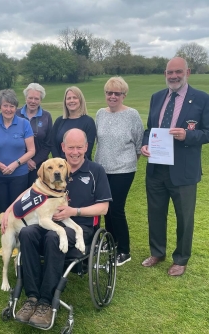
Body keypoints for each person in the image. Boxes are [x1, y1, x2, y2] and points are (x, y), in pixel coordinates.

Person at [3, 128, 112, 329]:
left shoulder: (95, 170)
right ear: (63, 148)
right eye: (71, 147)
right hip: (48, 221)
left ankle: (46, 302)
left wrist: (74, 211)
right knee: (26, 233)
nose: (75, 151)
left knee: (53, 237)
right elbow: (31, 191)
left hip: (81, 226)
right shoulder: (53, 168)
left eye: (79, 147)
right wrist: (9, 210)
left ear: (86, 147)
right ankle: (32, 297)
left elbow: (103, 208)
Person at [140, 57, 209, 276]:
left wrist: (187, 135)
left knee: (184, 216)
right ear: (165, 74)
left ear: (187, 72)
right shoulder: (157, 98)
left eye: (178, 72)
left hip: (183, 170)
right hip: (156, 168)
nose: (173, 76)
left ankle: (181, 258)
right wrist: (145, 144)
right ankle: (157, 252)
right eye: (169, 72)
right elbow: (150, 128)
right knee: (155, 213)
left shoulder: (203, 99)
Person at [94, 77, 144, 266]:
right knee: (105, 208)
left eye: (117, 93)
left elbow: (139, 144)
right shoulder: (100, 113)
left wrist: (126, 162)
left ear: (124, 95)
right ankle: (111, 240)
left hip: (124, 170)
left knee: (116, 209)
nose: (113, 96)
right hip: (102, 169)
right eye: (109, 93)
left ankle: (124, 250)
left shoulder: (132, 114)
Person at [0, 89, 35, 214]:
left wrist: (15, 164)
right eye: (5, 106)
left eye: (12, 106)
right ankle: (5, 233)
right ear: (0, 107)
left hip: (19, 175)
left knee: (18, 209)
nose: (8, 109)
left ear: (16, 108)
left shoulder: (24, 124)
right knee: (3, 209)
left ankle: (19, 234)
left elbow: (31, 150)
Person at [16, 83, 53, 188]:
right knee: (19, 198)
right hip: (18, 164)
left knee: (37, 197)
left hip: (39, 166)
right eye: (30, 98)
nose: (33, 101)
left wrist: (34, 161)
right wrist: (25, 159)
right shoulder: (16, 114)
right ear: (25, 98)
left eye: (36, 99)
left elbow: (48, 143)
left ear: (41, 100)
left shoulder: (46, 116)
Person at [50, 86, 96, 161]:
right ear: (65, 102)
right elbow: (53, 144)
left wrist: (73, 164)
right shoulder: (59, 121)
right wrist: (61, 163)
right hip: (62, 168)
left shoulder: (88, 122)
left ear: (80, 100)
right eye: (68, 98)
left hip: (82, 167)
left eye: (75, 98)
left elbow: (87, 150)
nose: (71, 101)